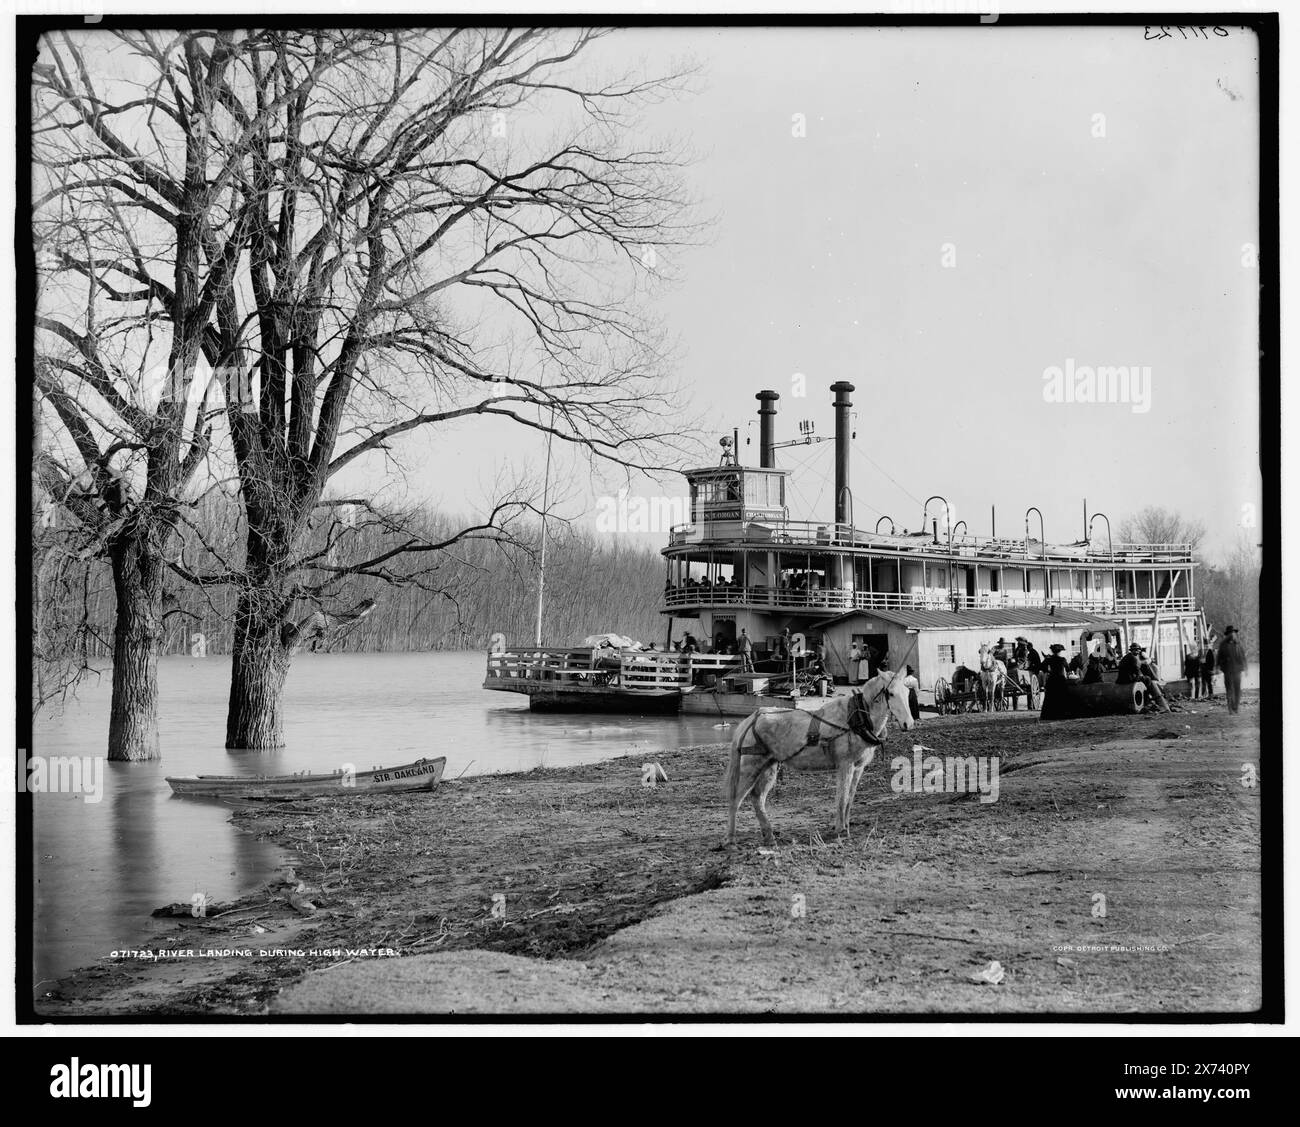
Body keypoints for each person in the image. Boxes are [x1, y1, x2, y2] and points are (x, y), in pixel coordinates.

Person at [1117, 643, 1170, 713]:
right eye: (1136, 650)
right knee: (1147, 679)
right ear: (1134, 651)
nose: (1137, 652)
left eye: (1137, 650)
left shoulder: (1127, 657)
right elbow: (1137, 671)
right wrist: (1143, 677)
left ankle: (1148, 700)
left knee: (1145, 680)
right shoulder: (1134, 658)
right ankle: (1156, 701)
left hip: (1121, 679)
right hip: (1128, 679)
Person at [1217, 626, 1247, 714]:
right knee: (1229, 690)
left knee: (1237, 690)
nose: (1232, 634)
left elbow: (1243, 657)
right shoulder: (1223, 645)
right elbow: (1219, 657)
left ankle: (1236, 707)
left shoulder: (1238, 644)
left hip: (1238, 671)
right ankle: (1230, 708)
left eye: (1233, 633)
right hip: (1227, 671)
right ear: (1228, 634)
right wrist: (1217, 667)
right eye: (1230, 633)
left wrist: (1246, 668)